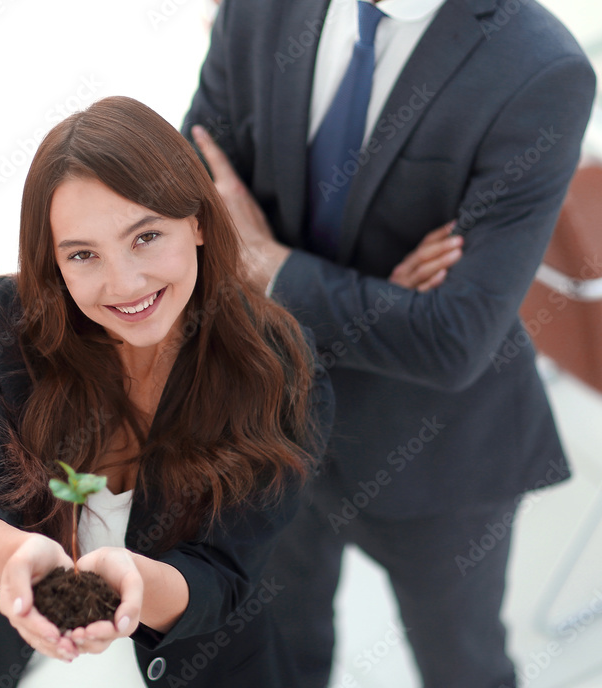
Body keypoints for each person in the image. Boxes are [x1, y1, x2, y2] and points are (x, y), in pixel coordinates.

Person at [182, 0, 596, 686]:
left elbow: (453, 340)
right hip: (269, 424)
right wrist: (376, 298)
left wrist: (271, 267)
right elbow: (188, 195)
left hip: (437, 458)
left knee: (462, 666)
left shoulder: (540, 67)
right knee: (282, 650)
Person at [0, 95, 333, 688]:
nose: (125, 284)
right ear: (53, 264)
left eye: (145, 237)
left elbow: (224, 573)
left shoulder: (276, 366)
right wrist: (19, 561)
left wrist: (133, 587)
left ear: (199, 221)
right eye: (83, 255)